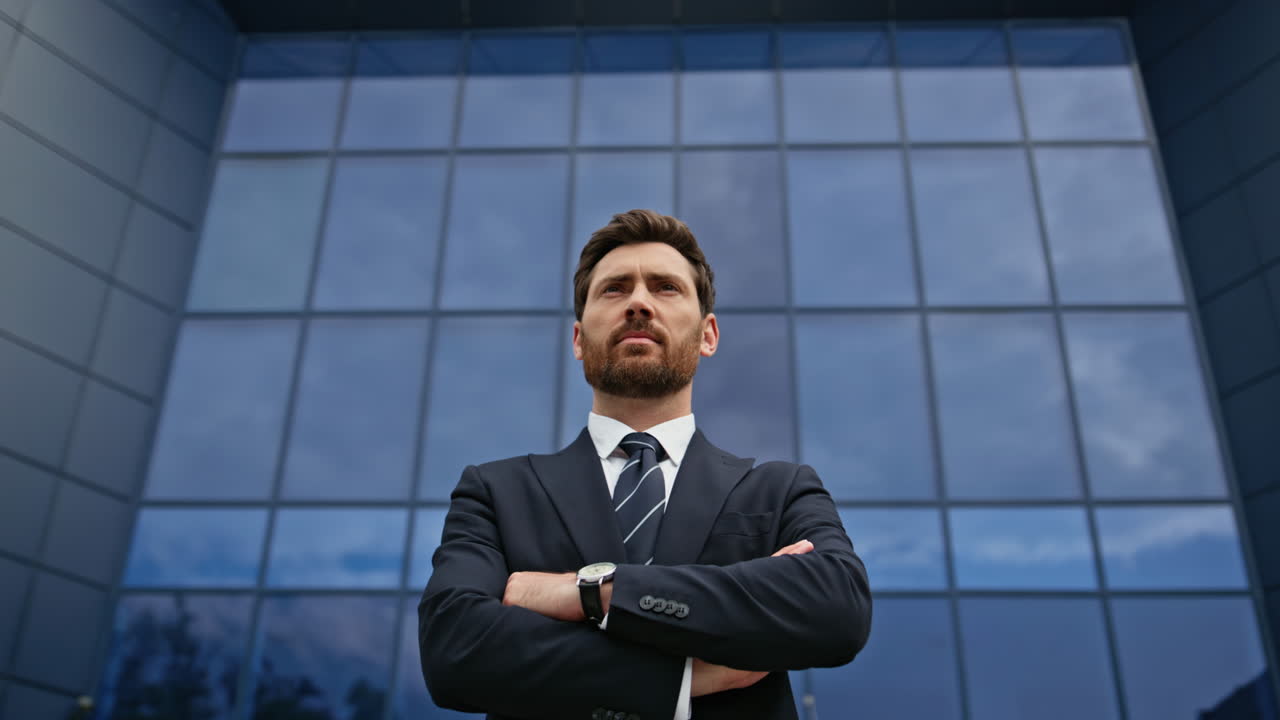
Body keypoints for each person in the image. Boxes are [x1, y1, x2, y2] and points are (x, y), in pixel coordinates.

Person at [419, 209, 871, 720]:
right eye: (614, 289)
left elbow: (836, 610)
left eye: (665, 288)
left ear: (708, 335)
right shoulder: (497, 493)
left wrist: (588, 592)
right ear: (577, 340)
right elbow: (454, 650)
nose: (638, 302)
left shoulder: (779, 491)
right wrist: (677, 679)